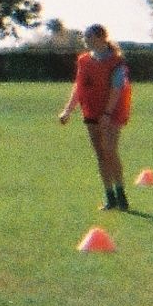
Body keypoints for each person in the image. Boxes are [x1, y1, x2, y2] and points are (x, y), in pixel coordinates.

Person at [57, 23, 135, 211]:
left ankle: (121, 193)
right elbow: (79, 87)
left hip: (112, 112)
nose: (85, 40)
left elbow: (117, 89)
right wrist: (68, 110)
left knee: (110, 150)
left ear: (100, 38)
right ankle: (110, 197)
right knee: (100, 154)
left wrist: (107, 113)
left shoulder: (117, 62)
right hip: (91, 110)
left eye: (88, 37)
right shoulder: (84, 60)